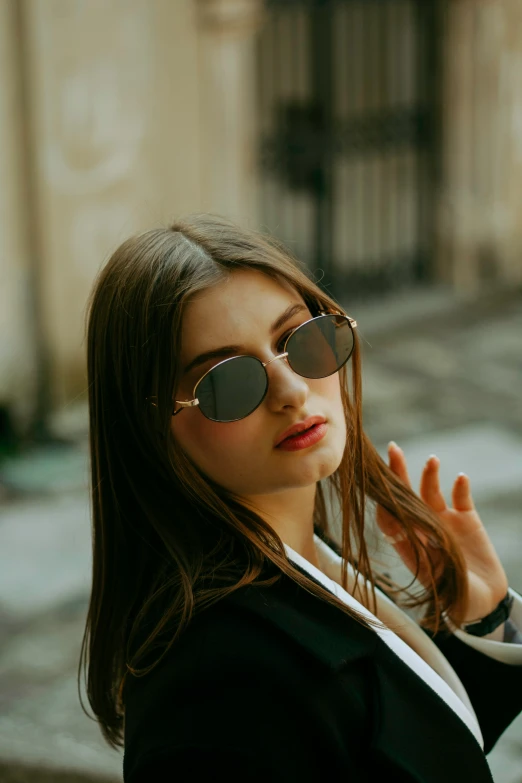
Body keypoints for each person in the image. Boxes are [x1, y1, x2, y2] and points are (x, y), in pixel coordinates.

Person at [80, 214, 522, 782]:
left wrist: (484, 616)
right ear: (151, 429)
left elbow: (408, 752)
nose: (292, 392)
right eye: (228, 381)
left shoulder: (305, 566)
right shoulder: (216, 688)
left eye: (301, 341)